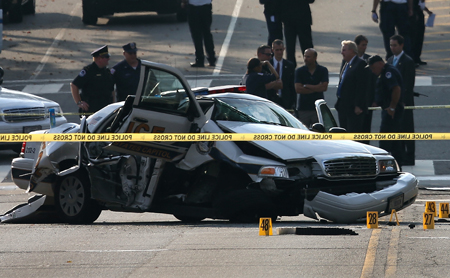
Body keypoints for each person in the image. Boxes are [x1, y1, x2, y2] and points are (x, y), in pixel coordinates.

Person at [367, 55, 404, 167]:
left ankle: (384, 167)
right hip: (389, 109)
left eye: (373, 68)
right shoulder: (385, 72)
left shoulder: (388, 73)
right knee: (395, 141)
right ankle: (397, 165)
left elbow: (396, 89)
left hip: (391, 112)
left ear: (380, 64)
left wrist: (392, 107)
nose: (373, 71)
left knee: (385, 141)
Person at [388, 34, 416, 165]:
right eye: (391, 45)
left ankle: (409, 156)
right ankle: (399, 155)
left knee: (407, 129)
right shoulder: (389, 60)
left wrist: (401, 101)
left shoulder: (408, 61)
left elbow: (408, 84)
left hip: (404, 102)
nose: (392, 48)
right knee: (396, 129)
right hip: (393, 102)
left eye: (395, 45)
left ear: (401, 45)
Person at [71, 45, 115, 115]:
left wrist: (113, 105)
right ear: (99, 58)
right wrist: (79, 102)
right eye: (106, 57)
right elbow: (74, 85)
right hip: (91, 110)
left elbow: (111, 90)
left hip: (106, 110)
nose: (109, 59)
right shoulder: (88, 71)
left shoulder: (107, 72)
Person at [335, 41, 368, 133]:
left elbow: (362, 86)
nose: (342, 53)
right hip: (343, 106)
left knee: (353, 133)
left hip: (353, 108)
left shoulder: (360, 64)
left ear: (352, 51)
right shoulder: (347, 64)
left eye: (344, 50)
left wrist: (358, 105)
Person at [294, 48, 329, 127]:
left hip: (318, 109)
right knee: (302, 132)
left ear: (315, 58)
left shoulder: (323, 70)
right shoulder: (299, 71)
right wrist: (317, 87)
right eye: (305, 56)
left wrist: (307, 86)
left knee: (319, 132)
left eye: (308, 57)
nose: (306, 59)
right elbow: (298, 89)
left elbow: (324, 87)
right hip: (303, 108)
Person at [279, 0, 315, 67]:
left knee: (304, 45)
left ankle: (311, 65)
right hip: (295, 18)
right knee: (291, 47)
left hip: (297, 18)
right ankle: (291, 68)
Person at [184, 0, 216, 67]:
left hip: (193, 7)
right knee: (207, 33)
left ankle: (200, 59)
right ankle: (211, 58)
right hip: (206, 6)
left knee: (196, 35)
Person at [269, 39, 296, 109]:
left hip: (285, 99)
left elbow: (292, 85)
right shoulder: (268, 64)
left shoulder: (289, 65)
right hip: (270, 98)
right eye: (277, 50)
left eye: (281, 50)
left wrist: (293, 103)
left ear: (284, 49)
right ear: (272, 50)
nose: (279, 52)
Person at [410, 0, 432, 67]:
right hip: (415, 16)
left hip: (420, 15)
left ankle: (417, 58)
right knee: (414, 38)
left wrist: (427, 11)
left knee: (420, 38)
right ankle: (413, 58)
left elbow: (421, 5)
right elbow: (414, 6)